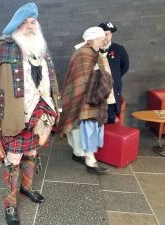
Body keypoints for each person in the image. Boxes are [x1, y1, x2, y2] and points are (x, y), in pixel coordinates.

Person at [0, 3, 60, 225]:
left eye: (33, 22)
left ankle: (27, 187)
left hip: (40, 113)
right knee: (12, 159)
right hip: (14, 115)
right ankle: (10, 204)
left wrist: (56, 104)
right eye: (24, 22)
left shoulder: (43, 50)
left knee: (33, 152)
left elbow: (51, 81)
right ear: (15, 25)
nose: (29, 26)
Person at [57, 27, 113, 175]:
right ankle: (90, 161)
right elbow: (78, 80)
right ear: (93, 39)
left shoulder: (92, 52)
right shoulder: (83, 53)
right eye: (101, 39)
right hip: (84, 98)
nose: (103, 41)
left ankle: (79, 154)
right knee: (86, 128)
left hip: (91, 97)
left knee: (84, 128)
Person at [98, 21, 129, 124]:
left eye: (107, 34)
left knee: (110, 124)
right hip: (95, 97)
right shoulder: (92, 50)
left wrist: (114, 77)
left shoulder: (119, 50)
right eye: (102, 35)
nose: (105, 37)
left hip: (111, 96)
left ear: (111, 35)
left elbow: (124, 67)